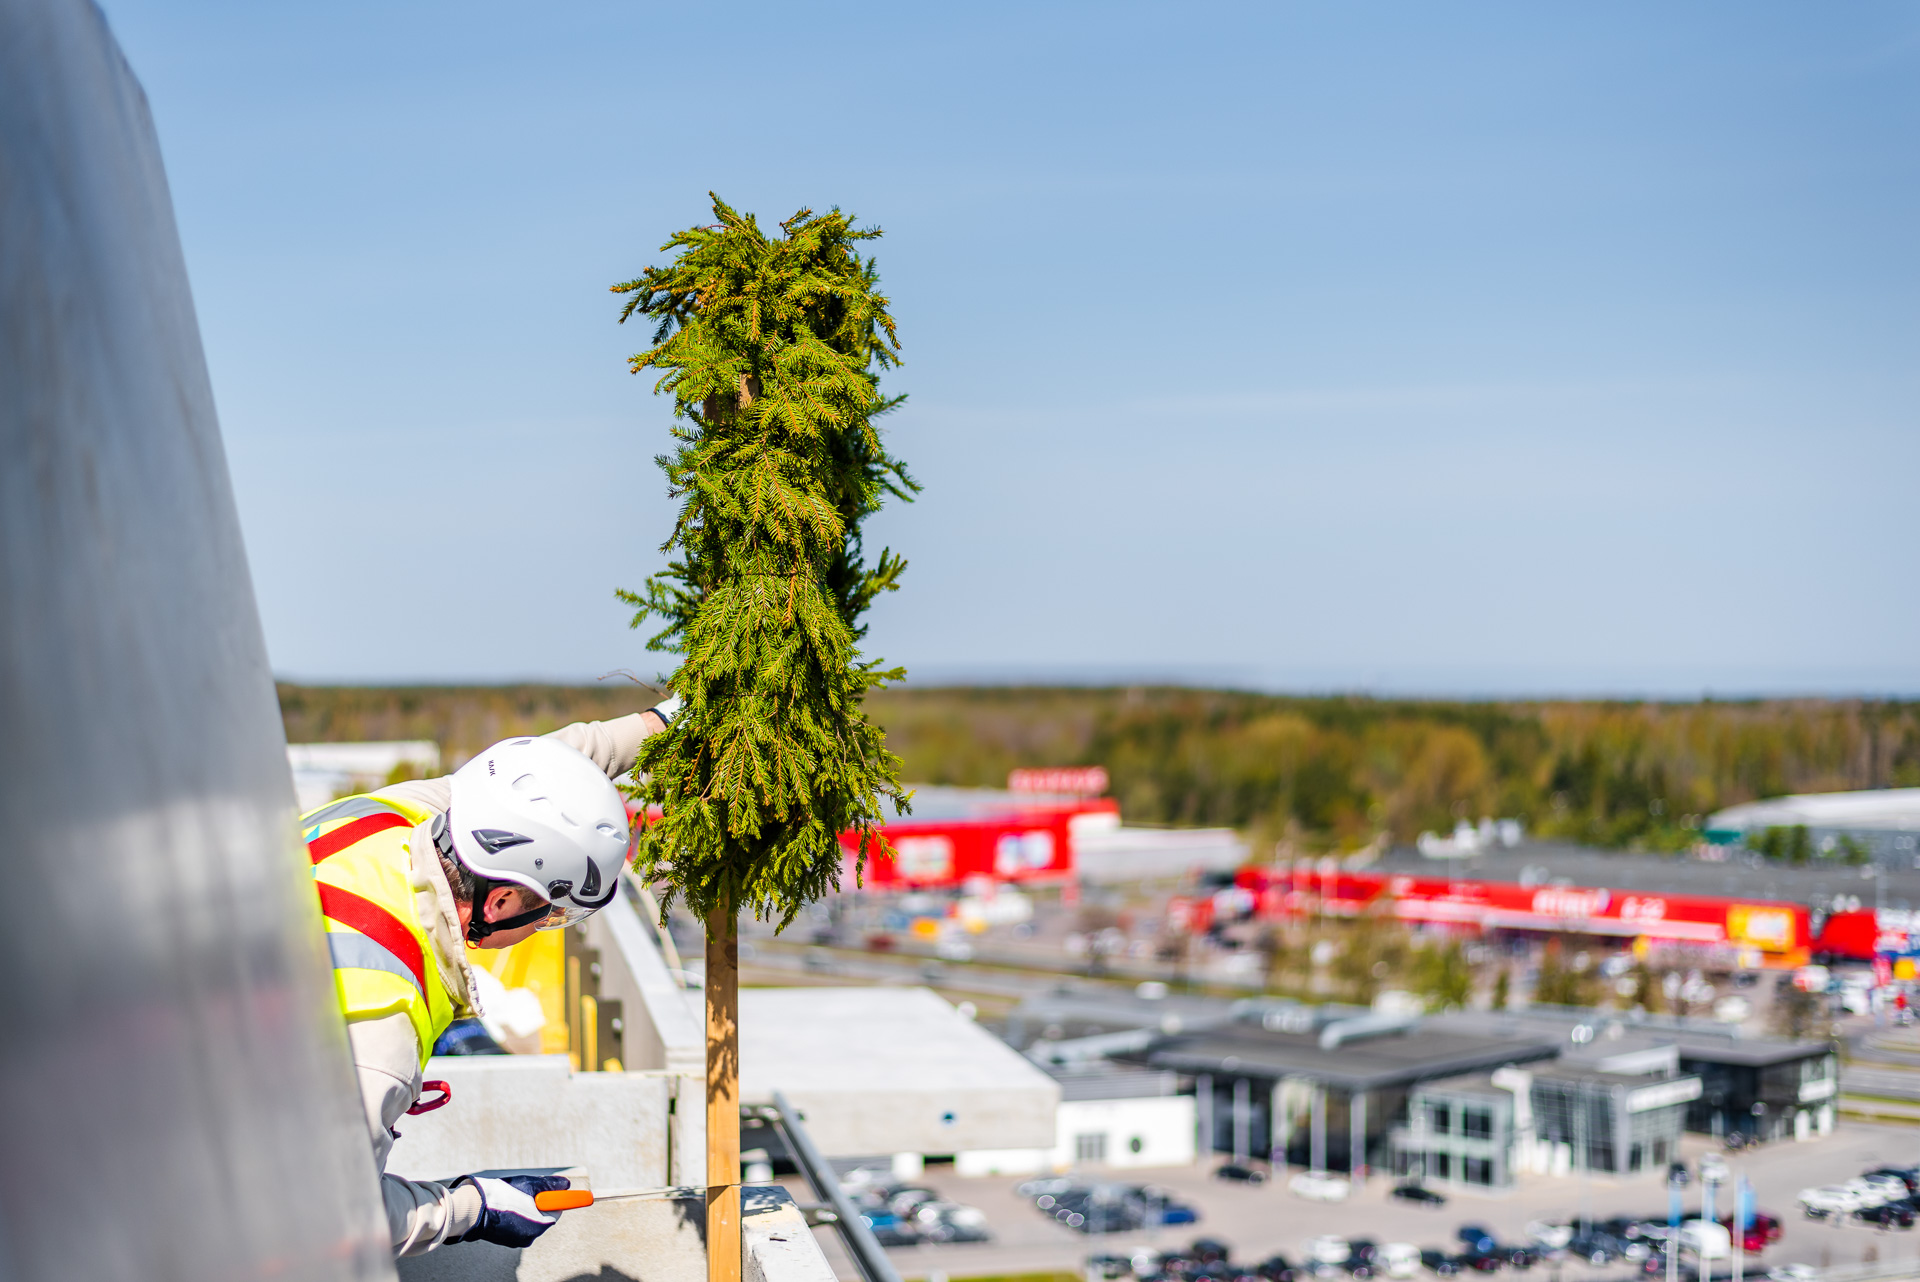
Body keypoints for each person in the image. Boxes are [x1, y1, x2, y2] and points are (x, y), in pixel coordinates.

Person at [302, 698, 677, 1256]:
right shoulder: (383, 1023)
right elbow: (331, 1218)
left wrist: (665, 724)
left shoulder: (381, 817)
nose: (545, 927)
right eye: (550, 914)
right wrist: (472, 1206)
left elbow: (541, 775)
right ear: (500, 901)